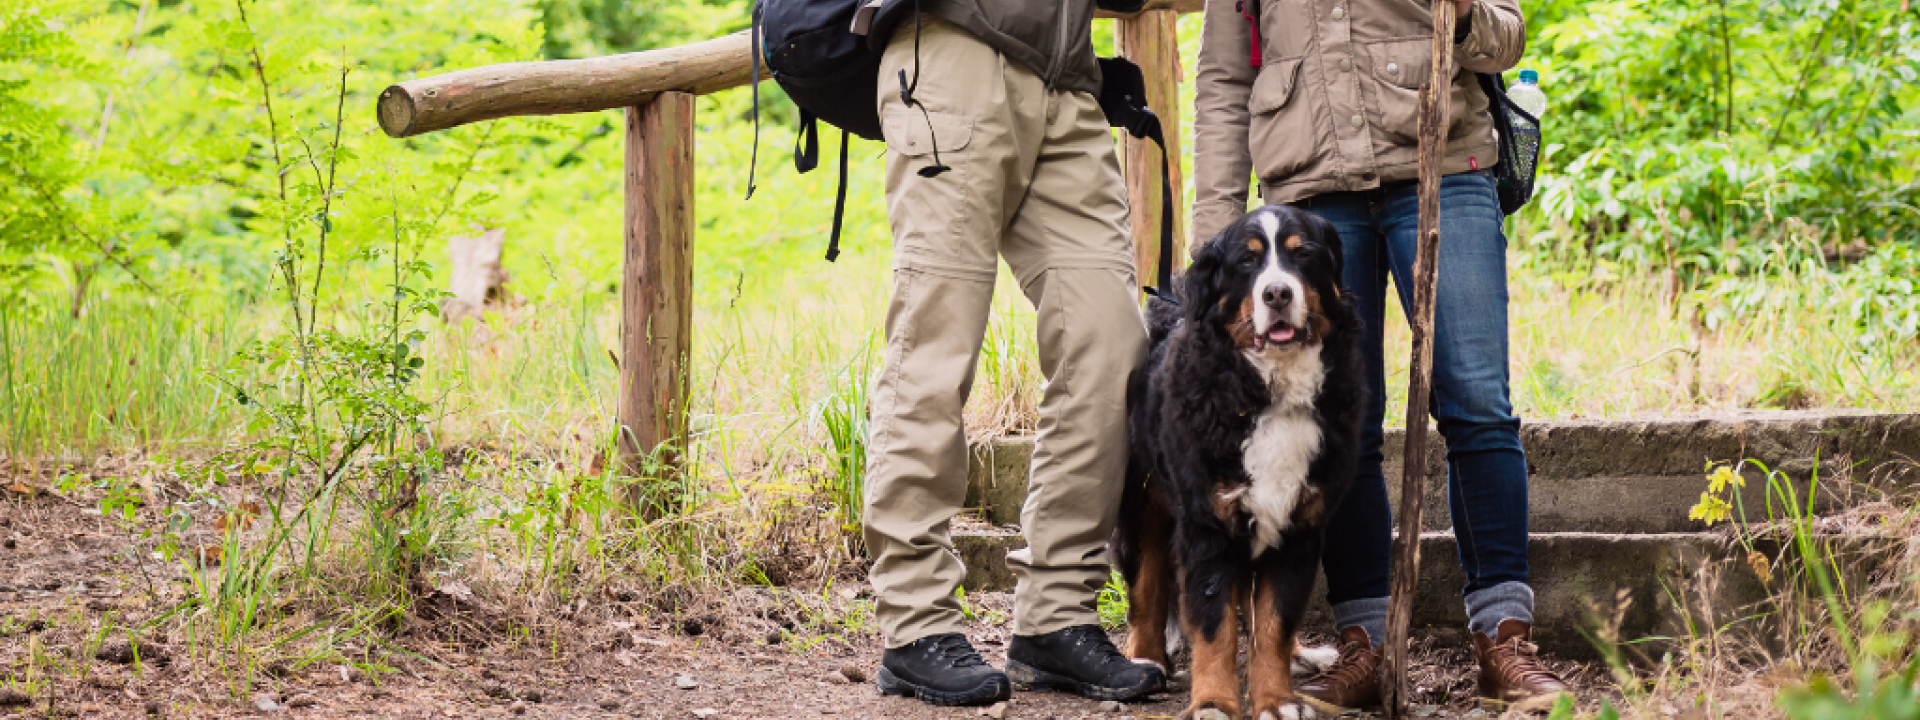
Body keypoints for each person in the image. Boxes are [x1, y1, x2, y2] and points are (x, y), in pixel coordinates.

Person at [1191, 0, 1574, 713]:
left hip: (1444, 164)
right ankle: (1362, 642)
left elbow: (1507, 35)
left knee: (1477, 399)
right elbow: (1221, 84)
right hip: (1308, 191)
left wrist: (1462, 17)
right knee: (1341, 427)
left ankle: (1504, 639)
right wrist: (1214, 238)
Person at [858, 0, 1165, 707]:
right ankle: (915, 623)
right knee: (936, 341)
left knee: (1112, 341)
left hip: (1068, 79)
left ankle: (1056, 615)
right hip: (952, 52)